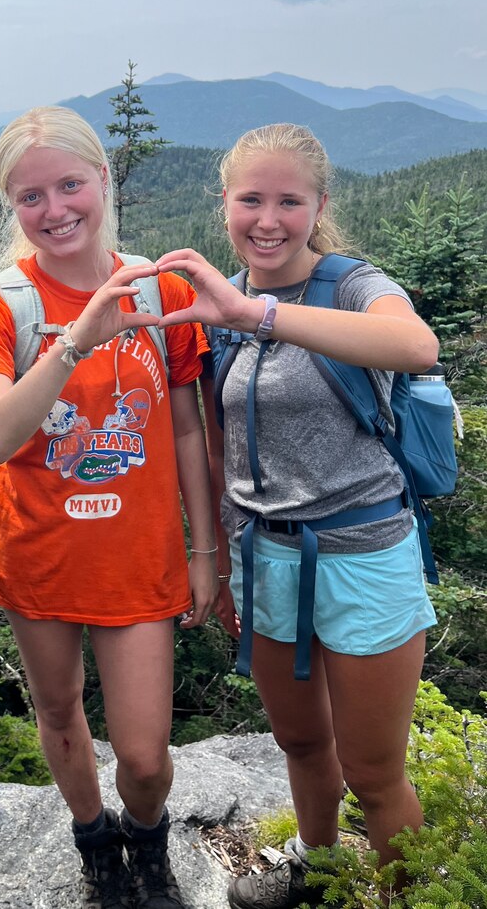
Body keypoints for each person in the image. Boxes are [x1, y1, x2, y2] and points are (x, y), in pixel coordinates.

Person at [157, 123, 439, 909]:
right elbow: (215, 447)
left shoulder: (350, 285)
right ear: (223, 206)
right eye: (251, 200)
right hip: (264, 560)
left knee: (375, 772)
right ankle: (315, 873)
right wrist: (209, 557)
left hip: (365, 557)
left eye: (289, 200)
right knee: (300, 741)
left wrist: (260, 316)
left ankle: (403, 897)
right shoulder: (218, 306)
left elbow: (414, 344)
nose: (268, 219)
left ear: (319, 205)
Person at [0, 106, 221, 909]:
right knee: (60, 713)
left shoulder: (162, 289)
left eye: (69, 184)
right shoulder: (1, 305)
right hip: (36, 553)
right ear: (11, 205)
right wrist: (74, 339)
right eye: (29, 196)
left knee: (143, 756)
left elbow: (186, 428)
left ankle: (144, 838)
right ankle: (93, 844)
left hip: (138, 559)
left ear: (102, 180)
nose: (54, 209)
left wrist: (205, 552)